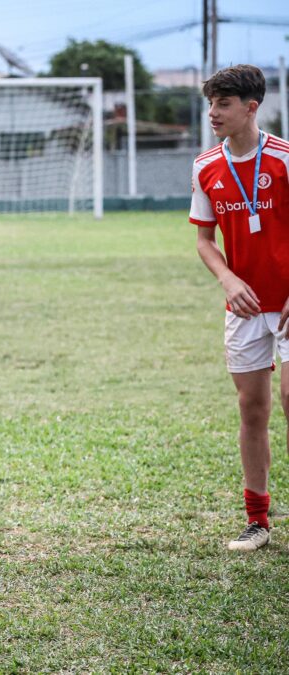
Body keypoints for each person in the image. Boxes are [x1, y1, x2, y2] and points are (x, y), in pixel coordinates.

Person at [192, 64, 289, 552]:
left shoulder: (284, 160)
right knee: (252, 409)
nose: (213, 113)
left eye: (223, 104)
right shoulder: (206, 165)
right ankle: (258, 522)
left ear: (252, 108)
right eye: (210, 103)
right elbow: (205, 241)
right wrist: (228, 278)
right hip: (246, 308)